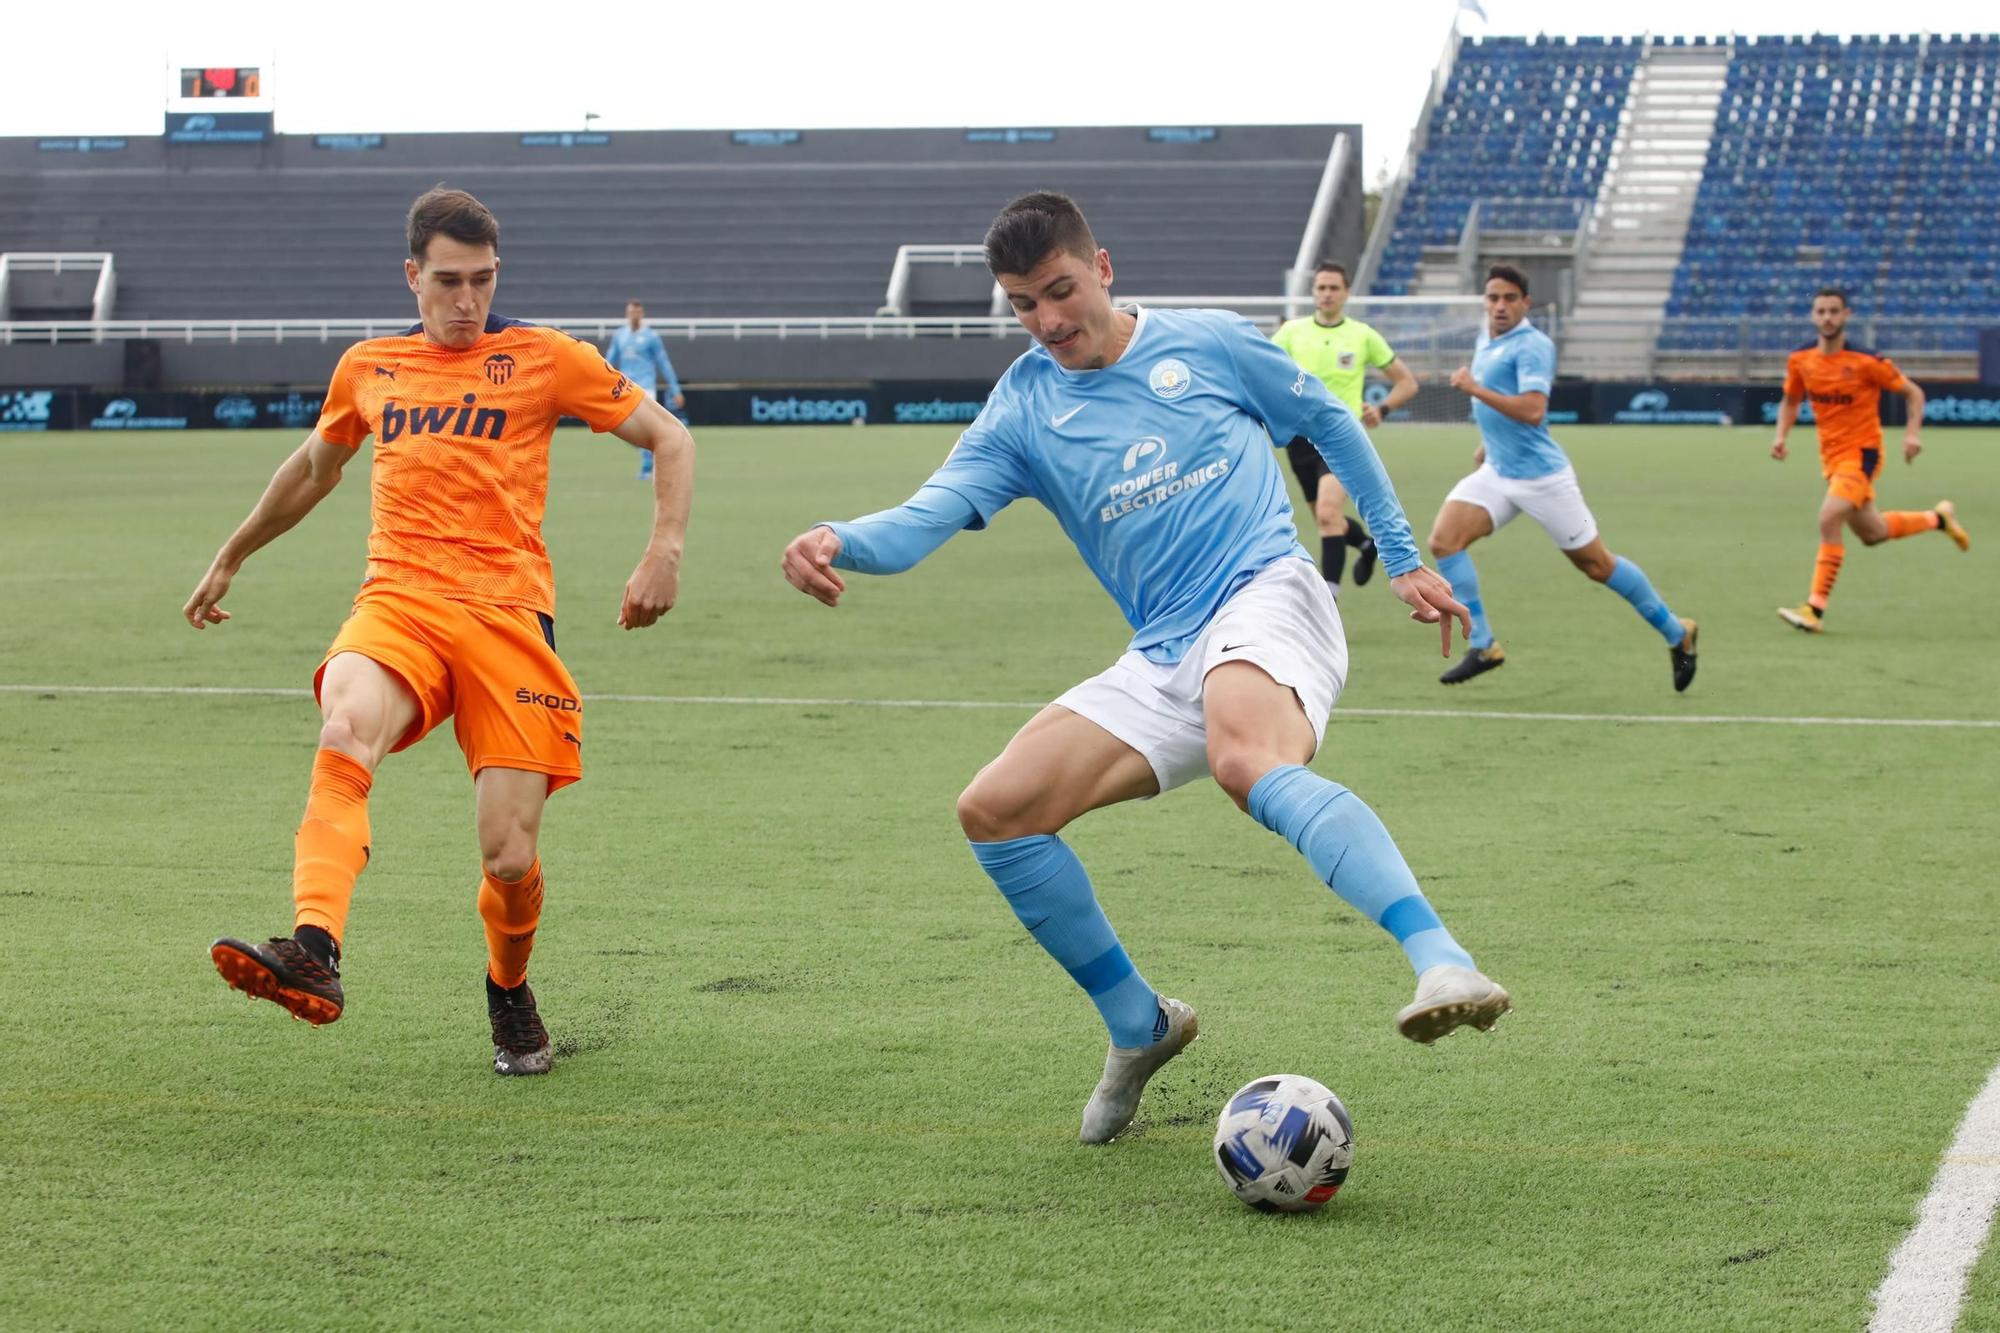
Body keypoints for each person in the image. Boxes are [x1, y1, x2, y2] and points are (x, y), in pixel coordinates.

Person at [780, 192, 1509, 1145]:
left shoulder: (1207, 343)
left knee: (1247, 756)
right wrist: (842, 537)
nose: (1046, 322)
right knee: (996, 810)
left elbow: (1327, 421)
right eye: (1021, 305)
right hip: (1162, 649)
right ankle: (1140, 1022)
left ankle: (1442, 959)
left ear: (1103, 268)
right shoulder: (1023, 407)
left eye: (1059, 291)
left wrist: (1405, 554)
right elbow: (931, 513)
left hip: (1266, 593)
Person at [184, 187, 694, 1075]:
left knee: (508, 857)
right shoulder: (369, 367)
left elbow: (671, 437)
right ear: (412, 275)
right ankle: (315, 946)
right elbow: (315, 467)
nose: (468, 302)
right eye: (449, 282)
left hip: (507, 619)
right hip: (400, 603)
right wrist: (232, 554)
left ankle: (509, 990)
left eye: (483, 281)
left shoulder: (545, 357)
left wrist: (664, 551)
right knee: (343, 727)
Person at [1428, 265, 1699, 691]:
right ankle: (1483, 645)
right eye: (1493, 298)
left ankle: (1676, 631)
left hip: (1542, 478)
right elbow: (1500, 408)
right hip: (1498, 470)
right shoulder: (1488, 338)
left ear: (1525, 304)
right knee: (1444, 541)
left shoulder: (1534, 345)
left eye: (1509, 299)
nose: (1499, 306)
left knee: (1597, 565)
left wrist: (1474, 389)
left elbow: (1533, 410)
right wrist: (1488, 442)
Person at [1771, 287, 1969, 632]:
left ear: (1846, 315)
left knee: (1829, 517)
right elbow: (1791, 400)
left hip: (1862, 454)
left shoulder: (1867, 361)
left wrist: (1912, 434)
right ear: (1812, 315)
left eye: (1834, 311)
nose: (1827, 318)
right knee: (1872, 533)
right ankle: (1937, 519)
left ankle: (1813, 609)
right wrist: (1780, 436)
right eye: (1821, 311)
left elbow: (1914, 393)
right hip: (1831, 457)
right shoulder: (1800, 359)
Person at [1270, 261, 1419, 597]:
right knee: (1327, 520)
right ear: (1313, 293)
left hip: (1340, 437)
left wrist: (1382, 408)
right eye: (1321, 288)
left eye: (1333, 288)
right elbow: (1264, 371)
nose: (1326, 294)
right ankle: (1366, 544)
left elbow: (1406, 382)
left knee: (1327, 512)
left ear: (1346, 293)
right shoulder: (1291, 332)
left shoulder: (1362, 335)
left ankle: (1328, 598)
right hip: (1298, 439)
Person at [606, 300, 685, 480]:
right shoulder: (620, 336)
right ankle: (648, 457)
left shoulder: (651, 337)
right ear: (627, 314)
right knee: (623, 428)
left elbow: (663, 363)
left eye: (637, 312)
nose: (634, 315)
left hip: (646, 389)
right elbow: (608, 362)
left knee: (647, 429)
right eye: (631, 312)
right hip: (626, 387)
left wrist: (675, 389)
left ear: (641, 314)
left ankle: (647, 466)